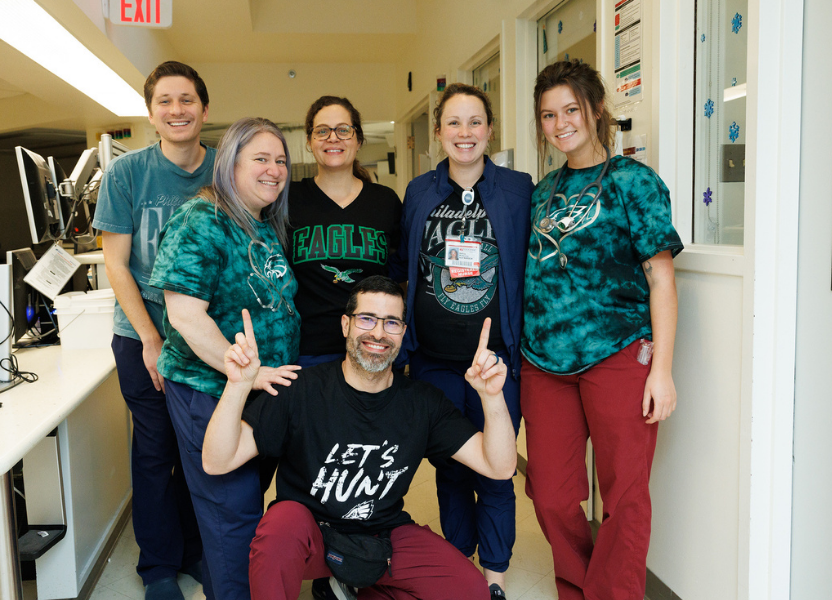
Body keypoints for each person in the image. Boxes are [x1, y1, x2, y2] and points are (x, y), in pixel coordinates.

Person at [200, 275, 517, 600]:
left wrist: (492, 398)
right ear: (345, 325)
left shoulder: (423, 402)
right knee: (279, 526)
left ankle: (353, 586)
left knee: (470, 591)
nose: (378, 333)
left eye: (391, 323)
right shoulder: (300, 390)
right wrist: (237, 385)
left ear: (403, 333)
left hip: (383, 533)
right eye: (367, 319)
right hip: (310, 533)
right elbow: (217, 460)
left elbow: (499, 467)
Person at [521, 60, 684, 600]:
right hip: (544, 363)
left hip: (618, 354)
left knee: (625, 495)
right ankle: (578, 587)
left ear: (595, 110)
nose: (560, 123)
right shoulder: (542, 192)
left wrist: (661, 369)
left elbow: (661, 278)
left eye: (571, 110)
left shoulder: (634, 182)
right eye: (549, 114)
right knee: (550, 494)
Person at [148, 117, 301, 600]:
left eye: (280, 160)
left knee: (240, 512)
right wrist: (250, 375)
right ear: (229, 163)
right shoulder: (202, 219)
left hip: (256, 390)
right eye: (260, 158)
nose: (274, 169)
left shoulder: (257, 221)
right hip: (210, 392)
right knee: (231, 520)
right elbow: (186, 316)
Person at [389, 83, 532, 598]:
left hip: (495, 364)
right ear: (438, 132)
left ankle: (493, 577)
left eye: (475, 122)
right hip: (433, 362)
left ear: (490, 129)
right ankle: (459, 563)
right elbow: (406, 268)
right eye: (454, 122)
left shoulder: (518, 189)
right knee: (449, 466)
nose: (465, 133)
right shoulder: (419, 192)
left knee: (496, 471)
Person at [92, 60, 214, 600]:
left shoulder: (224, 171)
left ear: (204, 109)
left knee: (205, 451)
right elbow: (116, 264)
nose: (176, 110)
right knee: (155, 450)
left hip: (206, 338)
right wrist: (151, 339)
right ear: (150, 113)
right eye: (165, 101)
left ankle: (197, 550)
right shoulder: (127, 174)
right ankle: (159, 567)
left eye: (186, 99)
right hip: (142, 335)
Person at [287, 96, 401, 368]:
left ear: (358, 139)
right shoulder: (289, 199)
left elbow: (400, 277)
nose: (332, 138)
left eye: (343, 130)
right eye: (322, 131)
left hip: (374, 345)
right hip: (308, 349)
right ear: (310, 141)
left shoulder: (385, 202)